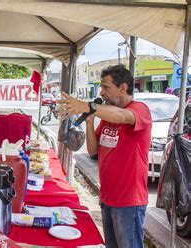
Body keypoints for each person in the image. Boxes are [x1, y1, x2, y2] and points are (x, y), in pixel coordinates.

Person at [58, 64, 151, 247]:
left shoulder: (140, 109)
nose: (102, 92)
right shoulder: (108, 117)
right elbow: (93, 151)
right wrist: (90, 121)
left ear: (123, 87)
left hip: (128, 202)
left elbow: (123, 117)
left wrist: (87, 106)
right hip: (108, 197)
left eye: (106, 87)